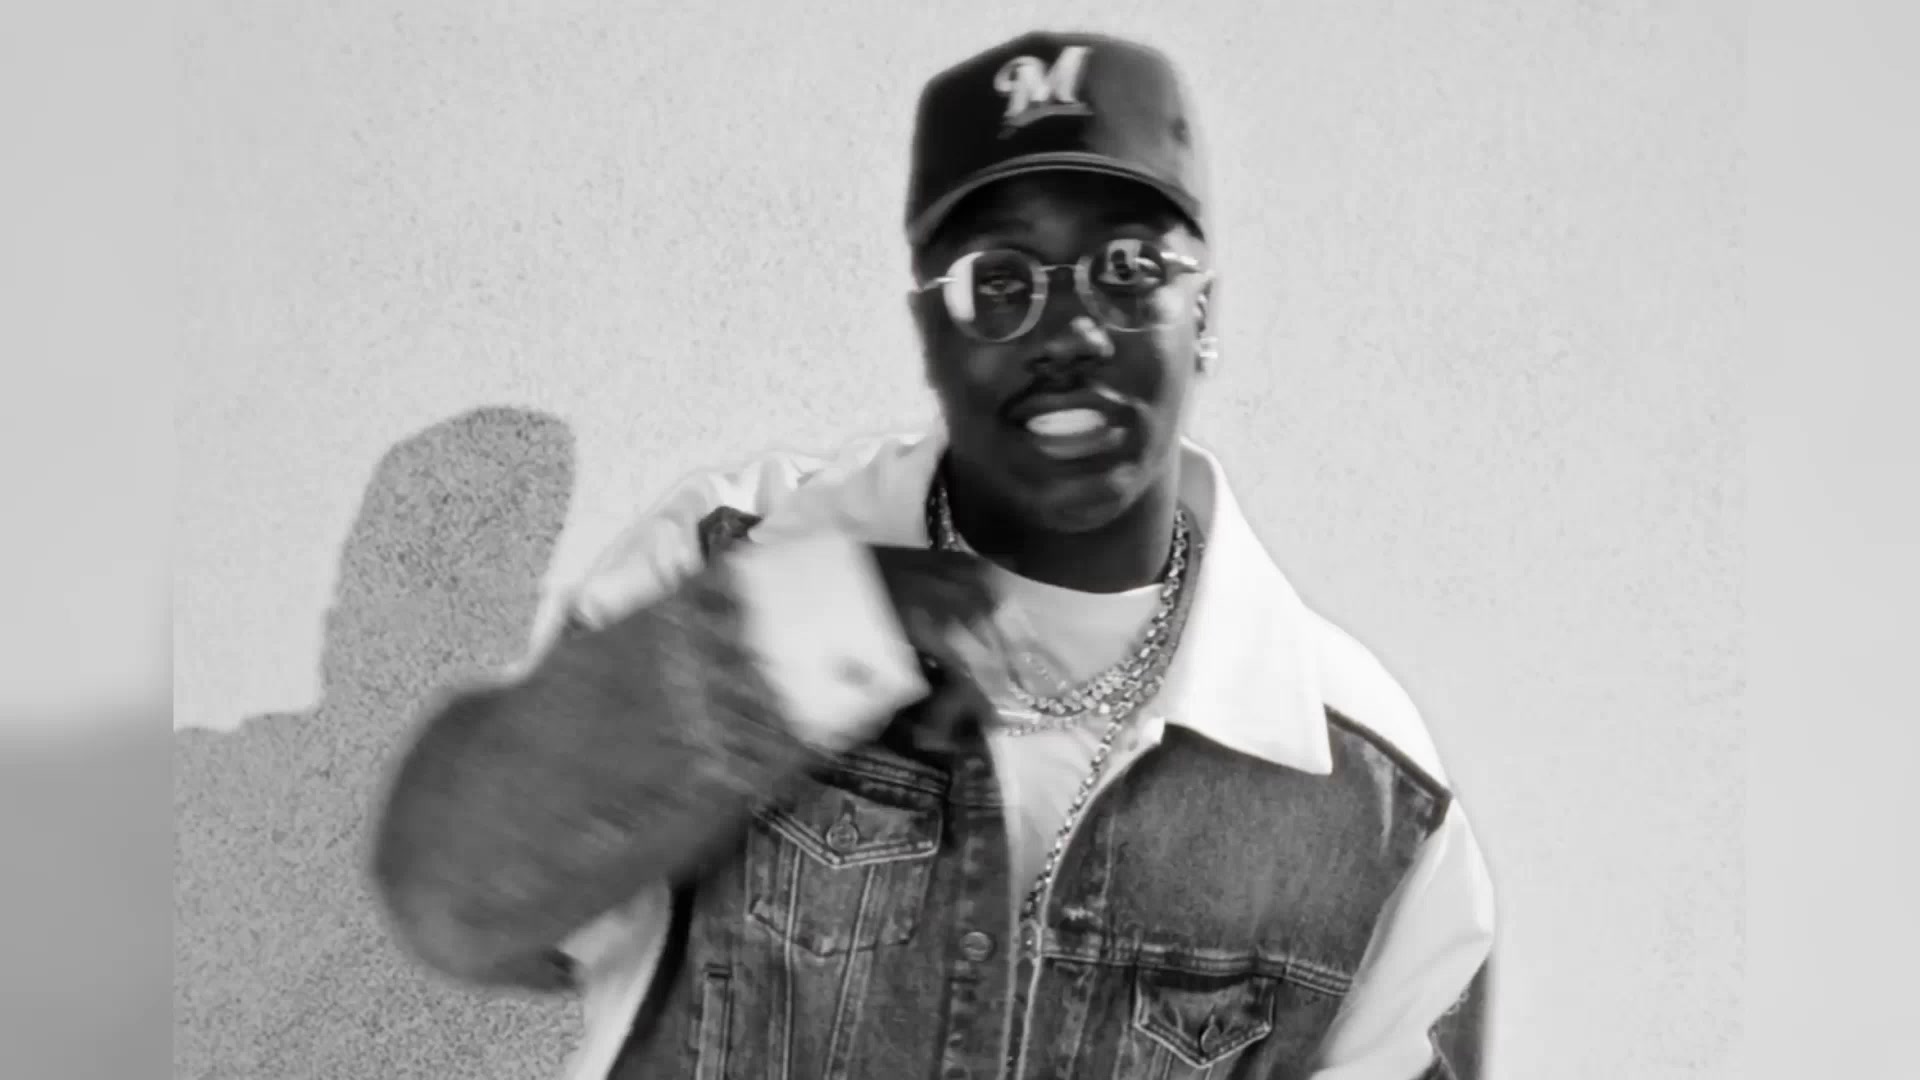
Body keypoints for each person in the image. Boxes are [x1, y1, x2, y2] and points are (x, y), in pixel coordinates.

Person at [369, 30, 1497, 1080]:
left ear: (1204, 312)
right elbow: (456, 893)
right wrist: (818, 627)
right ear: (928, 329)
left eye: (1128, 271)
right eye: (1000, 283)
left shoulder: (1369, 792)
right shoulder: (739, 559)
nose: (1071, 332)